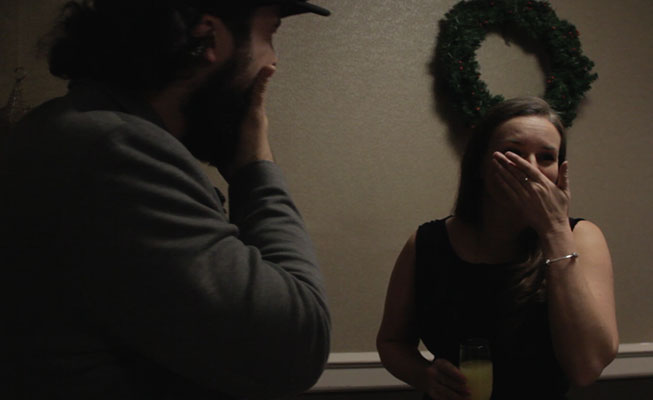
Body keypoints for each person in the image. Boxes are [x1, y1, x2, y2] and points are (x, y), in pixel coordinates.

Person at [0, 0, 331, 398]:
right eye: (271, 33)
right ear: (209, 35)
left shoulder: (68, 128)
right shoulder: (116, 150)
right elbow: (294, 347)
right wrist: (256, 169)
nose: (273, 61)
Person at [376, 97, 618, 400]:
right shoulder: (427, 242)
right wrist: (424, 376)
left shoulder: (581, 237)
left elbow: (586, 368)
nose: (530, 168)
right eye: (513, 153)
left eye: (546, 157)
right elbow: (392, 342)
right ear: (480, 164)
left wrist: (554, 230)